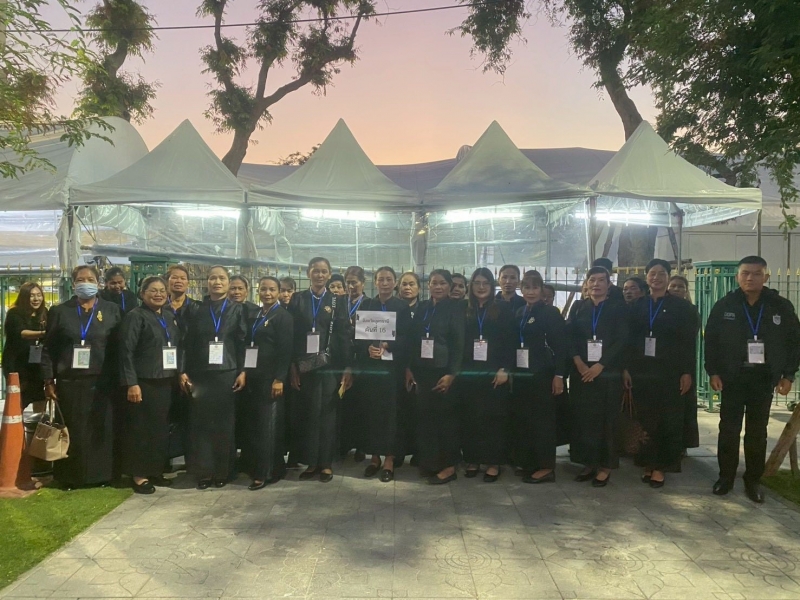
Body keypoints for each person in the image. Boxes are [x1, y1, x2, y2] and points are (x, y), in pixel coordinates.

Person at [705, 256, 800, 503]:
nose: (750, 278)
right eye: (745, 273)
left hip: (763, 379)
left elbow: (794, 342)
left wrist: (788, 374)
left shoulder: (780, 306)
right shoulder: (725, 305)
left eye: (756, 273)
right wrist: (713, 371)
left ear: (765, 277)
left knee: (757, 432)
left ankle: (753, 480)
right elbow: (711, 340)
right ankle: (725, 477)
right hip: (732, 378)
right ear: (738, 277)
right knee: (729, 429)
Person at [42, 265, 123, 490]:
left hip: (103, 380)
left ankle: (102, 475)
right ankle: (71, 477)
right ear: (73, 284)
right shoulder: (60, 311)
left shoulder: (112, 310)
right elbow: (48, 348)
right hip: (71, 381)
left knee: (101, 429)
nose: (85, 283)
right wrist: (48, 380)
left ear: (98, 283)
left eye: (90, 279)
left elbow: (119, 347)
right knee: (73, 429)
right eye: (80, 279)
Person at [625, 259, 698, 488]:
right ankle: (648, 463)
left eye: (661, 273)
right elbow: (628, 340)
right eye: (652, 273)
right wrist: (626, 368)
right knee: (646, 420)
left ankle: (661, 467)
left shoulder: (681, 308)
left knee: (668, 421)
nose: (656, 277)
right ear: (646, 277)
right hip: (641, 371)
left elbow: (688, 343)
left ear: (668, 277)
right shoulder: (637, 305)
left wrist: (686, 372)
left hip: (670, 372)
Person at [179, 266, 247, 490]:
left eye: (222, 278)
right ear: (206, 282)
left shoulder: (237, 310)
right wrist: (182, 371)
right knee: (201, 424)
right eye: (213, 278)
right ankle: (204, 472)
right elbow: (185, 343)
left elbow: (242, 343)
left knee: (224, 424)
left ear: (228, 282)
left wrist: (243, 371)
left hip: (227, 372)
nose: (217, 282)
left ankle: (223, 471)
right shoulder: (195, 309)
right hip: (200, 373)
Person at [289, 257, 354, 483]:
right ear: (308, 272)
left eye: (324, 271)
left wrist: (348, 366)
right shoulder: (298, 299)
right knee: (308, 413)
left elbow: (344, 334)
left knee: (327, 413)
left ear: (329, 274)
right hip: (304, 365)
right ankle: (311, 462)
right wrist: (292, 365)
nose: (319, 275)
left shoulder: (337, 301)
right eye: (315, 271)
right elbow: (292, 334)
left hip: (330, 365)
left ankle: (326, 463)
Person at [566, 266, 628, 487]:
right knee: (584, 419)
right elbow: (569, 336)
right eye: (592, 280)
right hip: (581, 372)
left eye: (601, 280)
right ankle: (588, 462)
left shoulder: (618, 308)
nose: (596, 284)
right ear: (586, 283)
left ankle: (605, 466)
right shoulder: (578, 307)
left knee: (606, 421)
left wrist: (601, 365)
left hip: (607, 372)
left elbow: (622, 340)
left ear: (609, 285)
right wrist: (578, 362)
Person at [119, 276, 180, 494]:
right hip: (144, 382)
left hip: (165, 381)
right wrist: (131, 383)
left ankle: (155, 470)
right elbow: (126, 352)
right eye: (153, 290)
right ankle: (139, 475)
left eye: (162, 290)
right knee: (141, 430)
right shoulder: (135, 316)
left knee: (160, 429)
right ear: (142, 293)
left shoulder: (168, 316)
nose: (158, 294)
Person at [406, 269, 465, 484]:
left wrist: (452, 374)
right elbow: (412, 338)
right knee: (426, 419)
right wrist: (409, 368)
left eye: (442, 283)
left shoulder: (456, 309)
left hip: (443, 372)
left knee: (445, 420)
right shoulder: (423, 307)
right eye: (434, 283)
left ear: (449, 286)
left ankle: (449, 467)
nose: (438, 287)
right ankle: (430, 463)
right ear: (428, 285)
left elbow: (459, 344)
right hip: (422, 370)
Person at [459, 268, 514, 482]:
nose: (481, 287)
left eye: (485, 283)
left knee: (493, 419)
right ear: (471, 286)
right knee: (470, 418)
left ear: (492, 286)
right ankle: (473, 459)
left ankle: (493, 462)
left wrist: (505, 368)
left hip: (494, 371)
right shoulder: (464, 309)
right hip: (469, 373)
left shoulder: (503, 309)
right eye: (477, 283)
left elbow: (510, 341)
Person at [357, 267, 411, 482]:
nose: (385, 283)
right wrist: (368, 348)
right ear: (375, 282)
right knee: (372, 412)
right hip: (371, 368)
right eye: (381, 279)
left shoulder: (402, 307)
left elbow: (408, 338)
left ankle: (389, 459)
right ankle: (374, 458)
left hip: (392, 369)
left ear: (395, 282)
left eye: (389, 279)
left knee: (391, 414)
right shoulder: (367, 305)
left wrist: (388, 345)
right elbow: (359, 337)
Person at [513, 273, 568, 484]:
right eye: (526, 287)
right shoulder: (520, 312)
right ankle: (530, 462)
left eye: (535, 287)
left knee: (543, 422)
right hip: (523, 374)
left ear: (542, 289)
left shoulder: (550, 313)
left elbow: (561, 345)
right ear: (521, 289)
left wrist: (559, 375)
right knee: (525, 420)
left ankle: (546, 467)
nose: (531, 292)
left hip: (544, 375)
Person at [244, 276, 293, 490]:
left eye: (272, 289)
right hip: (254, 375)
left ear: (279, 292)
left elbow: (285, 350)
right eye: (263, 289)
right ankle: (261, 467)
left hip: (272, 378)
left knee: (269, 426)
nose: (267, 293)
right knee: (256, 425)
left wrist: (279, 378)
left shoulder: (283, 316)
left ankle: (266, 472)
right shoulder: (256, 314)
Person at [3, 282, 47, 410]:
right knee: (18, 399)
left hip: (36, 363)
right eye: (32, 295)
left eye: (39, 295)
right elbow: (21, 333)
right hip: (17, 363)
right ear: (24, 297)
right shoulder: (14, 313)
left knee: (39, 397)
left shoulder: (44, 312)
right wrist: (43, 333)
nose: (36, 299)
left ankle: (38, 422)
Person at [341, 266, 367, 460]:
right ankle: (344, 442)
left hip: (361, 359)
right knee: (343, 403)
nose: (351, 286)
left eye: (354, 282)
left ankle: (361, 445)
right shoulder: (340, 303)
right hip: (342, 357)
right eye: (348, 283)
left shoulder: (369, 304)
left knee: (361, 403)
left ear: (363, 283)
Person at [396, 271, 422, 465]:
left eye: (411, 284)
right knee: (399, 411)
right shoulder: (393, 308)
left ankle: (418, 451)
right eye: (404, 284)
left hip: (420, 366)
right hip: (396, 366)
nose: (407, 287)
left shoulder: (425, 309)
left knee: (418, 411)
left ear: (419, 288)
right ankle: (398, 451)